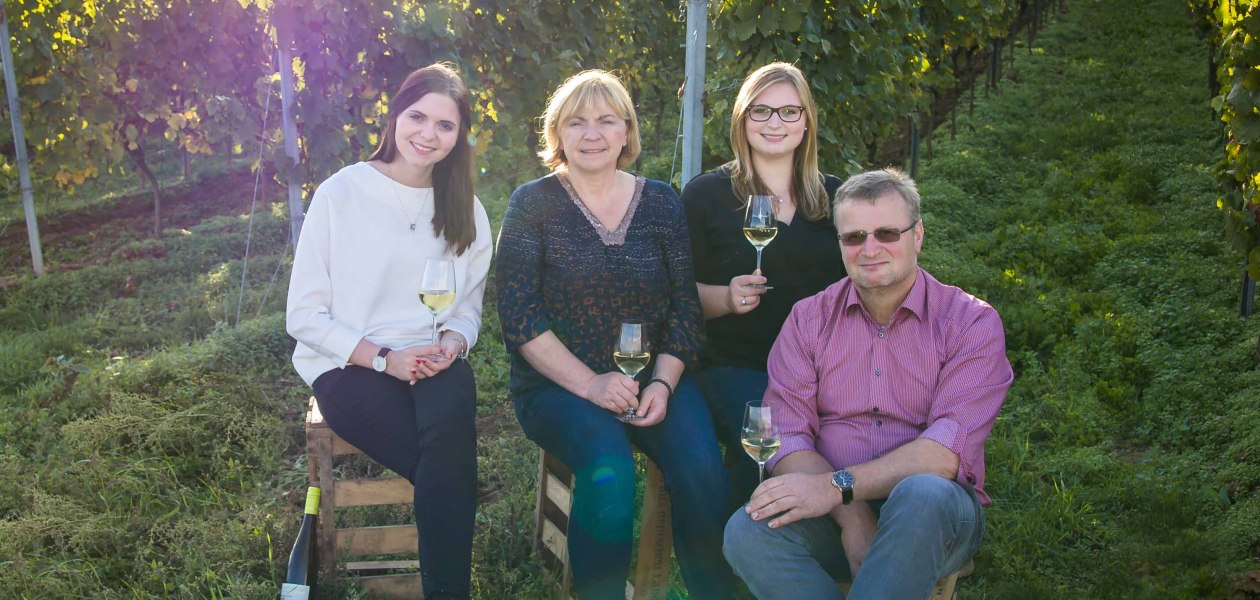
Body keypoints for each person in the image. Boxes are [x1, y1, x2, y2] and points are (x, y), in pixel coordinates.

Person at [496, 69, 736, 600]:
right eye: (576, 122)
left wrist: (665, 384)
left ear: (627, 132)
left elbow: (684, 308)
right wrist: (591, 385)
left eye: (607, 120)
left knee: (702, 470)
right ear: (557, 134)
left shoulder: (661, 201)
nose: (592, 133)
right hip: (559, 387)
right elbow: (518, 316)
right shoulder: (531, 204)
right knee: (610, 469)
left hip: (653, 380)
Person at [723, 168, 1014, 599]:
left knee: (923, 493)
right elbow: (788, 435)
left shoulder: (970, 322)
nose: (870, 249)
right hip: (834, 515)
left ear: (918, 236)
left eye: (887, 233)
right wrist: (851, 514)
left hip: (933, 517)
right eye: (854, 237)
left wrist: (833, 487)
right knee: (747, 530)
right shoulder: (808, 320)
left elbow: (942, 455)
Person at [286, 63, 492, 600]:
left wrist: (453, 342)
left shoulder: (465, 209)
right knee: (447, 466)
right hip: (349, 364)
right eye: (418, 116)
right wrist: (383, 359)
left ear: (459, 136)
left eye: (445, 126)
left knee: (449, 422)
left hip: (431, 358)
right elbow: (303, 317)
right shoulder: (341, 194)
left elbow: (467, 308)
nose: (428, 134)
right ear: (395, 114)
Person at [681, 62, 846, 504]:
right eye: (761, 111)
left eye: (789, 112)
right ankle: (750, 553)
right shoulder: (706, 197)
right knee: (765, 449)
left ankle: (835, 549)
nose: (775, 123)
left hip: (822, 370)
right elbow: (674, 297)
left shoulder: (837, 198)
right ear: (742, 119)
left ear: (806, 121)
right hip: (737, 365)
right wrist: (727, 299)